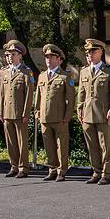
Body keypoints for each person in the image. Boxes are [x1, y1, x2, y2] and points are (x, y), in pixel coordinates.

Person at [77, 39, 110, 185]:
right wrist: (79, 109)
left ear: (101, 52)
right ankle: (96, 171)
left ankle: (106, 173)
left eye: (93, 51)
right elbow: (81, 93)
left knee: (105, 145)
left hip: (103, 114)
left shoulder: (109, 70)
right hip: (87, 114)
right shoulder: (84, 71)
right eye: (88, 52)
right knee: (92, 145)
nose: (89, 54)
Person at [35, 43, 75, 182]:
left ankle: (61, 171)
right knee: (49, 146)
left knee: (61, 146)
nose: (49, 60)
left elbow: (70, 99)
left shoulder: (65, 76)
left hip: (60, 118)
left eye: (52, 57)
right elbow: (38, 97)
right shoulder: (42, 76)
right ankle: (52, 169)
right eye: (47, 57)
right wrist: (37, 111)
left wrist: (67, 116)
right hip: (45, 117)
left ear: (59, 60)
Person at [0, 40, 35, 178]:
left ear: (20, 56)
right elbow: (1, 94)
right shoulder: (4, 72)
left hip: (20, 113)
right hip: (7, 112)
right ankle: (13, 166)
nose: (10, 57)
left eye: (13, 54)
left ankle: (23, 167)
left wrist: (26, 113)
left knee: (22, 142)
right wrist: (0, 111)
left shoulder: (26, 72)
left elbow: (29, 95)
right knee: (11, 142)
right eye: (8, 55)